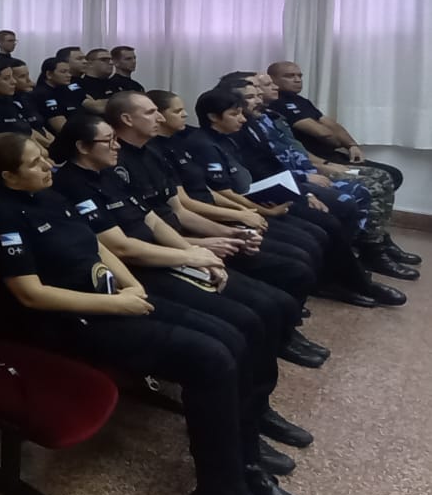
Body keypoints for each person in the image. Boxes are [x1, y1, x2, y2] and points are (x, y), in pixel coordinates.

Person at [0, 133, 311, 495]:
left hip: (112, 296)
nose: (48, 166)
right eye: (35, 164)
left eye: (45, 157)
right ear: (8, 177)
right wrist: (117, 302)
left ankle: (246, 460)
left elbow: (97, 247)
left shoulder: (48, 194)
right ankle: (221, 494)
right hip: (66, 321)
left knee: (235, 336)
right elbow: (31, 295)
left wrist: (131, 285)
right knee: (210, 358)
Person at [49, 115, 317, 484]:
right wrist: (193, 256)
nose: (116, 147)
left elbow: (156, 222)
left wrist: (200, 252)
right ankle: (239, 427)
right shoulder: (69, 184)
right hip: (141, 271)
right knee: (239, 327)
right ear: (82, 147)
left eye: (115, 140)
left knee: (267, 310)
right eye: (108, 141)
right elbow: (120, 246)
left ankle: (255, 413)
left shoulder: (113, 173)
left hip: (165, 256)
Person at [104, 92, 326, 370]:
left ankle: (284, 333)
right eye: (151, 113)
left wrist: (229, 233)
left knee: (296, 264)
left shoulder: (153, 151)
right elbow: (133, 238)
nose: (160, 117)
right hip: (162, 254)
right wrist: (201, 246)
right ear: (126, 119)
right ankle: (278, 339)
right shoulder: (115, 165)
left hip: (184, 239)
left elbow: (179, 211)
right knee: (268, 299)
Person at [189, 88, 403, 309]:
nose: (243, 118)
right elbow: (222, 191)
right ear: (214, 117)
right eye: (235, 114)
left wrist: (303, 191)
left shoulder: (232, 136)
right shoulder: (205, 144)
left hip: (265, 194)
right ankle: (344, 281)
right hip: (250, 203)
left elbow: (264, 167)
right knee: (320, 229)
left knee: (330, 220)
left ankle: (351, 278)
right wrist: (260, 210)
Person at [267, 61, 405, 192]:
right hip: (315, 159)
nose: (297, 80)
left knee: (393, 174)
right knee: (382, 178)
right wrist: (335, 140)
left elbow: (330, 124)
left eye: (299, 75)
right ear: (272, 79)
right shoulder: (277, 103)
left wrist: (351, 145)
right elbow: (321, 132)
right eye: (290, 76)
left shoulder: (301, 101)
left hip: (331, 154)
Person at [33, 57, 82, 134]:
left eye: (69, 72)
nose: (69, 75)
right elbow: (61, 127)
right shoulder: (43, 94)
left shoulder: (67, 89)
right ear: (49, 74)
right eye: (63, 72)